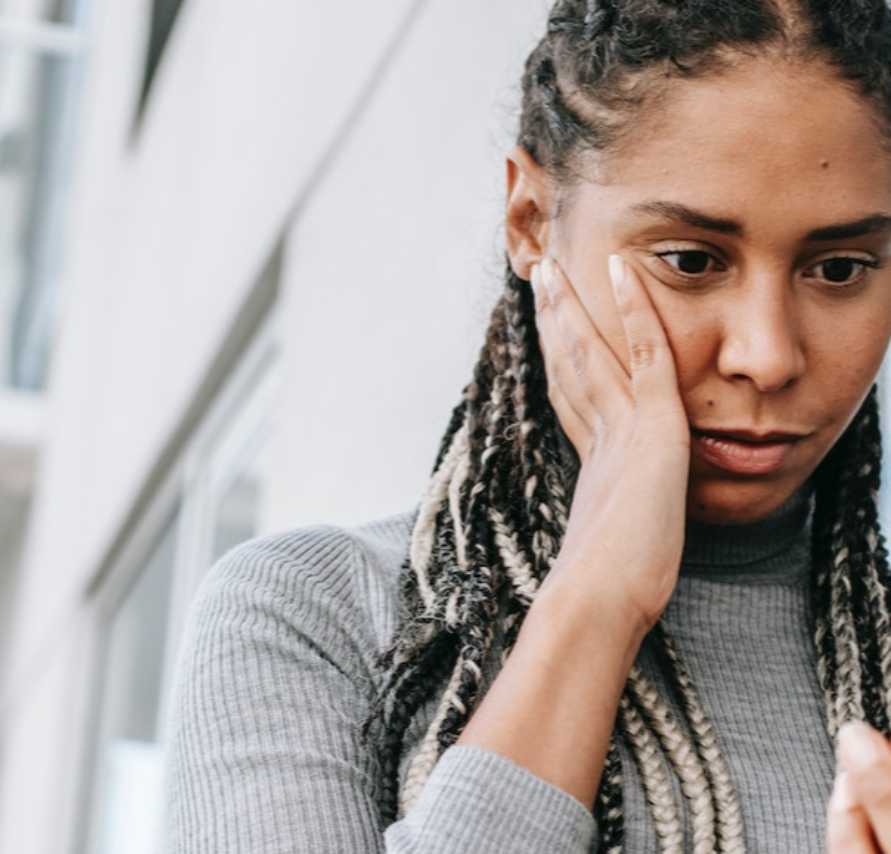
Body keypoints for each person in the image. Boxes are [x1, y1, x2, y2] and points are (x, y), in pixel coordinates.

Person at [164, 1, 891, 851]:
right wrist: (598, 595)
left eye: (840, 269)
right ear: (530, 221)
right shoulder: (313, 619)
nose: (766, 356)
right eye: (689, 261)